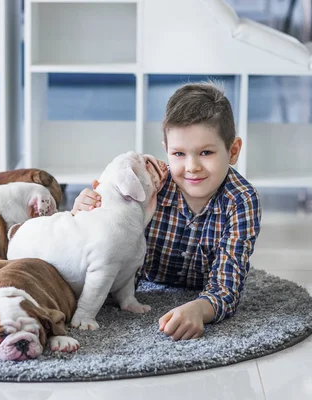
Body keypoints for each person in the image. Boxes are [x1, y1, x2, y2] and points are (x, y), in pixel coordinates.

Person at [72, 82, 262, 341]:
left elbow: (227, 286)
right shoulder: (148, 182)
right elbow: (102, 238)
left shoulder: (241, 201)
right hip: (139, 283)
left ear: (233, 151)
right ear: (166, 150)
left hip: (201, 287)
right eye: (179, 153)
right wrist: (84, 213)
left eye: (206, 152)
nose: (192, 166)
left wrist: (200, 308)